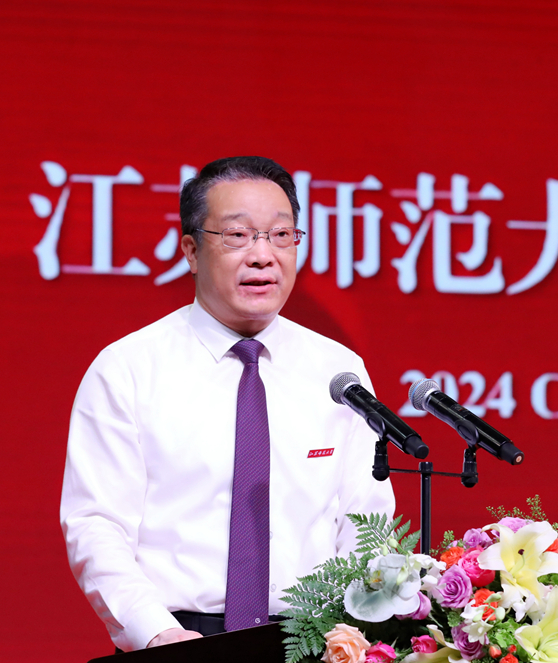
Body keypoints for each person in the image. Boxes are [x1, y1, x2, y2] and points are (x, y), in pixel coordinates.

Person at [60, 156, 395, 652]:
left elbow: (368, 525)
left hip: (313, 641)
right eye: (238, 235)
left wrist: (358, 631)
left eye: (281, 236)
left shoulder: (338, 371)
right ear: (192, 251)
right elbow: (97, 525)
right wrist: (157, 633)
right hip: (177, 638)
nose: (263, 256)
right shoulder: (129, 368)